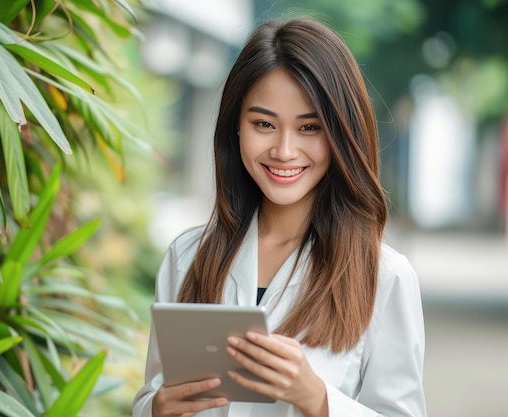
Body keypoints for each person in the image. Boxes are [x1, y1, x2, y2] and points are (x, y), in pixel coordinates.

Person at [133, 16, 426, 417]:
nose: (285, 151)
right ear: (236, 127)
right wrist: (155, 409)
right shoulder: (187, 257)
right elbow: (153, 393)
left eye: (309, 127)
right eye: (264, 124)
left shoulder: (384, 275)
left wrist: (317, 399)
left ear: (341, 134)